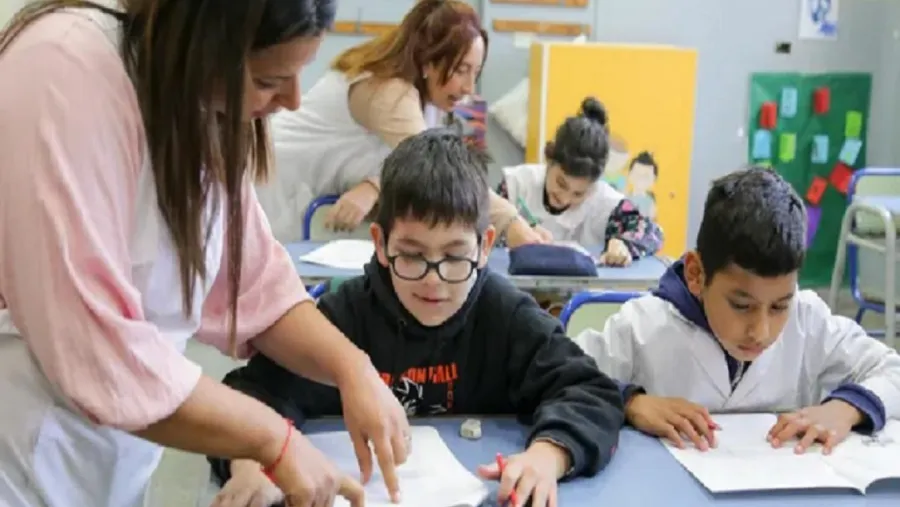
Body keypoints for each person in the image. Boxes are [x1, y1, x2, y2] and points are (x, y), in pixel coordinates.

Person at [0, 1, 411, 506]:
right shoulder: (64, 71)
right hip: (19, 450)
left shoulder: (196, 102)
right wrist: (272, 440)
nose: (293, 100)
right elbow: (93, 345)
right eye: (267, 80)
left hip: (107, 455)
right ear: (203, 42)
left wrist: (353, 369)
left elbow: (253, 285)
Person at [208, 129, 625, 507]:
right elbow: (250, 395)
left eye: (454, 255)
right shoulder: (345, 315)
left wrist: (548, 455)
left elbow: (589, 391)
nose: (434, 280)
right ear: (381, 243)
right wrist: (251, 464)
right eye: (411, 255)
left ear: (485, 247)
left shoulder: (505, 313)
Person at [574, 167, 900, 454]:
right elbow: (561, 377)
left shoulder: (809, 320)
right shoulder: (642, 327)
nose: (761, 331)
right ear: (696, 275)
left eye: (779, 306)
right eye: (742, 305)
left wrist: (847, 408)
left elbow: (892, 371)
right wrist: (631, 402)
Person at [256, 0, 548, 247]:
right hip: (271, 186)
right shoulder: (389, 92)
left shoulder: (431, 101)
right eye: (461, 70)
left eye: (476, 72)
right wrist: (512, 225)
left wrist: (374, 185)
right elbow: (441, 173)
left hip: (301, 201)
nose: (469, 87)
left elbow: (429, 166)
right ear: (427, 62)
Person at [497, 97, 662, 267]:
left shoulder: (607, 203)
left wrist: (622, 243)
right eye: (561, 183)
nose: (565, 198)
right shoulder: (516, 185)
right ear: (549, 159)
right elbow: (481, 229)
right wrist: (512, 230)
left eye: (579, 193)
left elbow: (652, 234)